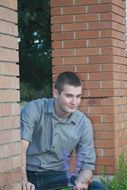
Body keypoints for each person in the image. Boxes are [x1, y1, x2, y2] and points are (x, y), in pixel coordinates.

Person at [20, 71, 105, 190]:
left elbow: (87, 164)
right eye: (69, 96)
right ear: (56, 93)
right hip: (28, 173)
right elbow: (20, 149)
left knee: (98, 188)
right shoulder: (34, 109)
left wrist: (81, 181)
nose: (74, 102)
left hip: (57, 176)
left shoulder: (83, 124)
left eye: (78, 96)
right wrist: (23, 181)